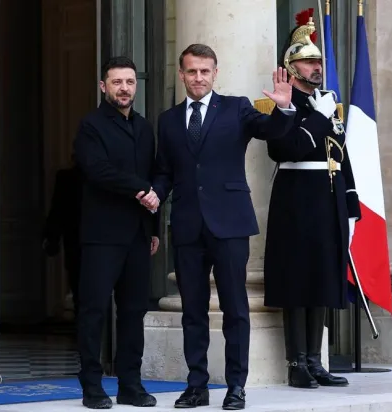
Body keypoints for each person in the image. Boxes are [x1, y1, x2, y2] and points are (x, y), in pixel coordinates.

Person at [141, 44, 296, 410]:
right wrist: (155, 194)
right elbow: (165, 171)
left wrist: (284, 107)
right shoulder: (168, 119)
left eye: (205, 71)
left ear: (215, 73)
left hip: (229, 223)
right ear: (181, 74)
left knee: (235, 308)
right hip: (188, 226)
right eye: (191, 71)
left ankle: (236, 386)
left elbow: (270, 130)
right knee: (192, 310)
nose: (198, 78)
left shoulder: (237, 107)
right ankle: (197, 386)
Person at [262, 9, 359, 389]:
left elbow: (340, 154)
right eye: (307, 60)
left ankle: (316, 360)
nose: (316, 65)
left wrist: (350, 204)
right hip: (297, 199)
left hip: (327, 199)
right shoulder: (281, 106)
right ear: (291, 66)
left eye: (318, 59)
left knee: (322, 279)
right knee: (297, 281)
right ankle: (296, 362)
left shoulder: (326, 102)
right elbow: (286, 149)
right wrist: (316, 118)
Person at [73, 56, 160, 409]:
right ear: (103, 86)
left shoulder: (143, 127)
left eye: (129, 82)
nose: (124, 88)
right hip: (102, 234)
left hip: (138, 234)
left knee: (133, 312)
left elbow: (154, 174)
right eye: (117, 82)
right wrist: (140, 189)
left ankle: (130, 384)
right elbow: (98, 170)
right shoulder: (90, 125)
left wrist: (153, 228)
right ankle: (92, 386)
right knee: (93, 311)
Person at [42, 156, 84, 317]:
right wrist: (51, 237)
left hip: (88, 239)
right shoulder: (66, 178)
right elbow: (58, 209)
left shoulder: (102, 178)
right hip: (74, 238)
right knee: (77, 283)